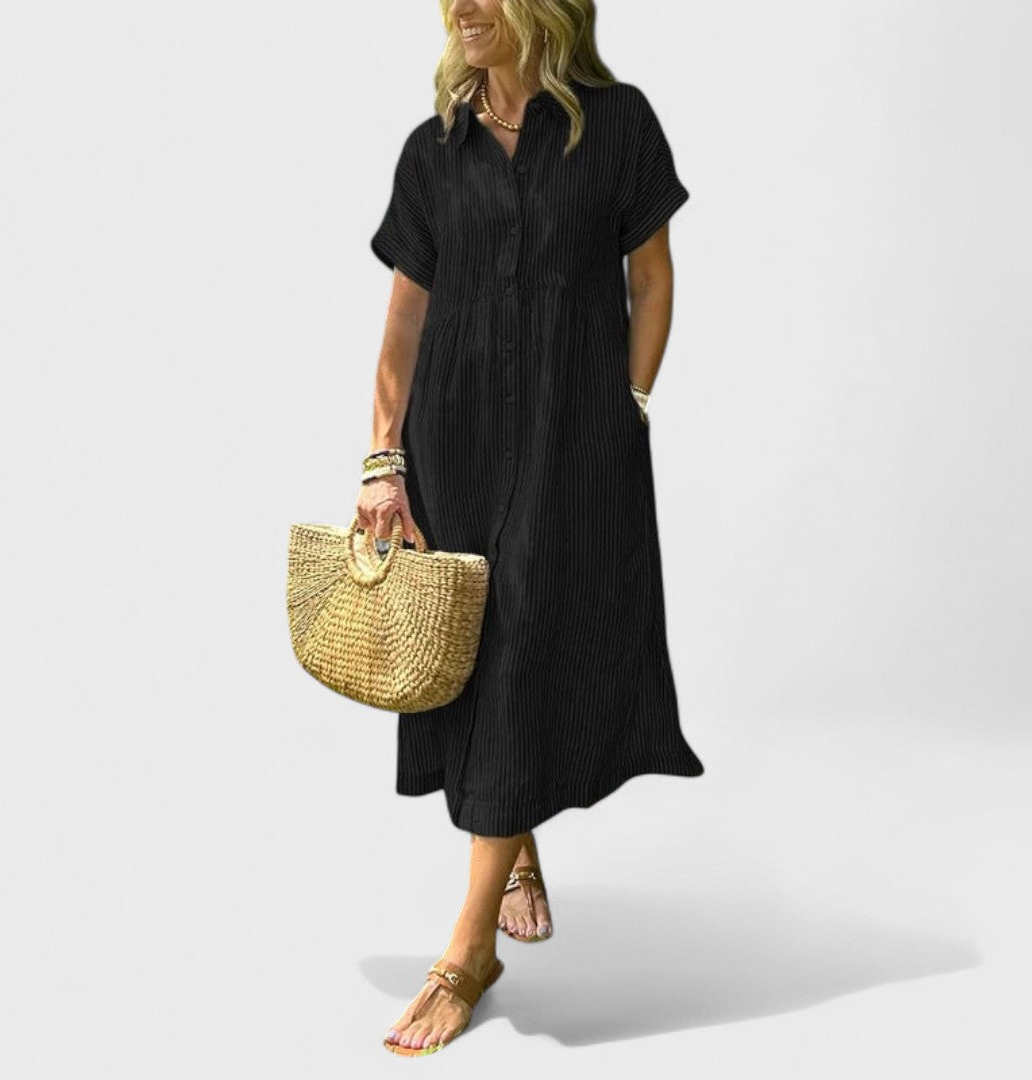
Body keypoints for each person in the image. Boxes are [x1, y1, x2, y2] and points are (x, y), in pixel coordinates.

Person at [359, 0, 705, 1055]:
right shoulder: (433, 152)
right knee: (474, 662)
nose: (461, 9)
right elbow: (406, 316)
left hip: (570, 443)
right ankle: (515, 851)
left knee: (525, 651)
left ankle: (469, 950)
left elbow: (652, 277)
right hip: (454, 441)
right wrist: (382, 460)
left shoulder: (619, 124)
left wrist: (626, 406)